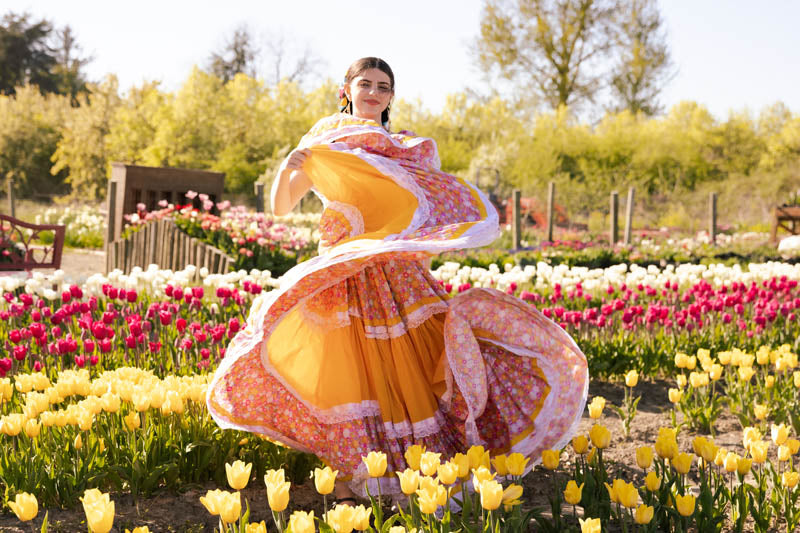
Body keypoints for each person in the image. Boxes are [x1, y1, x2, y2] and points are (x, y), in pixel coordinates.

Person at [206, 57, 588, 506]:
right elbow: (282, 207)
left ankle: (417, 463)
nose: (373, 92)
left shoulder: (405, 148)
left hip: (397, 275)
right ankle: (355, 468)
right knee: (352, 369)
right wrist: (290, 167)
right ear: (346, 88)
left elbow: (429, 200)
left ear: (391, 97)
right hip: (344, 273)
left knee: (412, 361)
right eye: (364, 83)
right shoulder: (326, 139)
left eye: (383, 87)